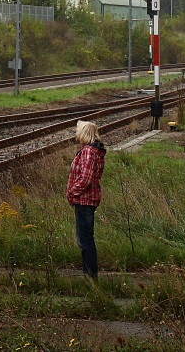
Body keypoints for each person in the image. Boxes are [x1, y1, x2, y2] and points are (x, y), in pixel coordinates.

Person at [68, 120, 107, 280]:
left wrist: (72, 192)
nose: (76, 134)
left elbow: (86, 178)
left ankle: (90, 276)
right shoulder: (93, 151)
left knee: (85, 240)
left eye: (78, 131)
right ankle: (90, 275)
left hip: (84, 200)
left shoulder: (88, 152)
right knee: (86, 238)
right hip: (89, 199)